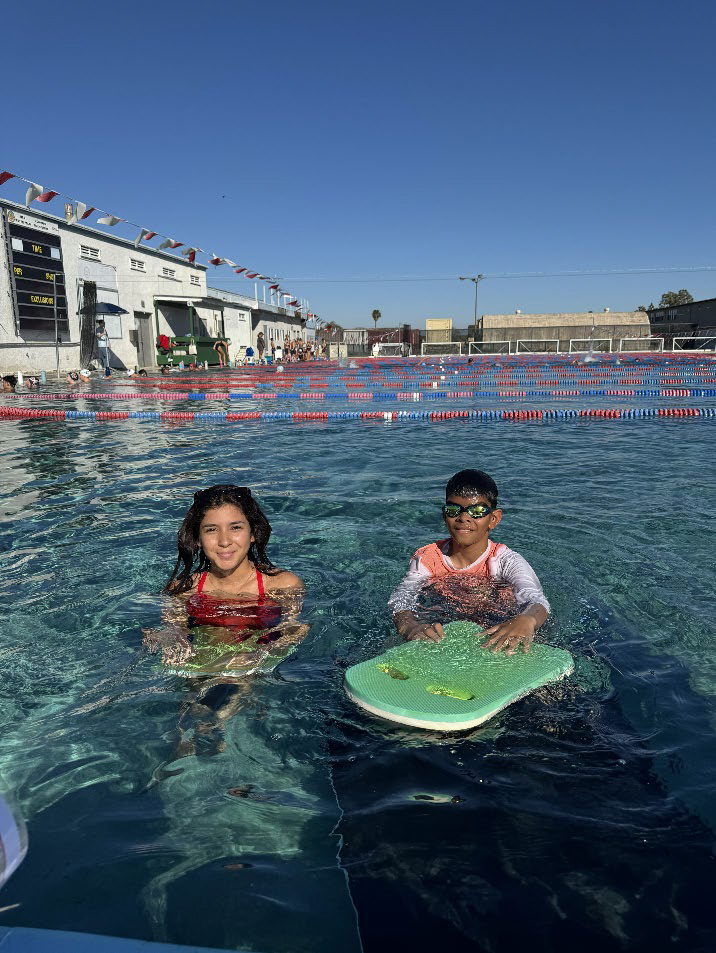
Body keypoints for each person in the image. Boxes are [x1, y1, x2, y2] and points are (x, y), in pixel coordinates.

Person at [388, 468, 550, 654]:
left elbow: (535, 598)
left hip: (500, 622)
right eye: (453, 510)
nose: (464, 518)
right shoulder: (428, 558)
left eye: (477, 511)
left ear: (494, 519)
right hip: (447, 624)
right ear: (444, 515)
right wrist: (410, 626)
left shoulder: (506, 561)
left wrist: (527, 619)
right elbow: (403, 597)